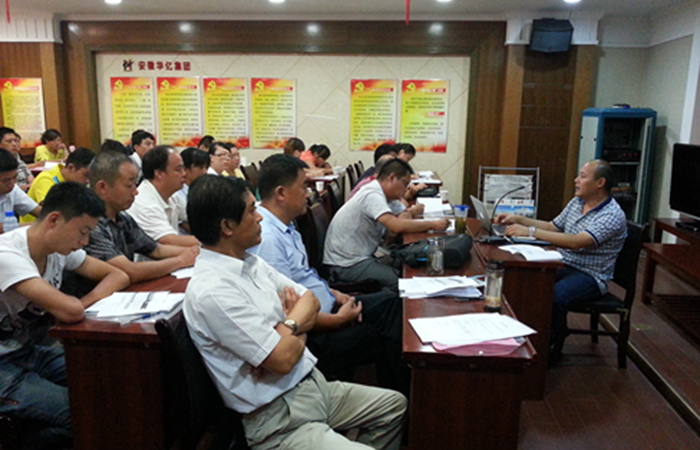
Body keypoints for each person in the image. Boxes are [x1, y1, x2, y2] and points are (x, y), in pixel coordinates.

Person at [184, 174, 406, 450]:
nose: (260, 217)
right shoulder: (213, 291)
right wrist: (294, 323)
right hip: (279, 417)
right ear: (227, 226)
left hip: (311, 385)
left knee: (394, 406)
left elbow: (310, 299)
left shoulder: (250, 262)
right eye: (252, 211)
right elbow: (283, 359)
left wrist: (287, 326)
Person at [252, 154, 408, 393]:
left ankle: (402, 392)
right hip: (315, 333)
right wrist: (338, 321)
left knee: (391, 304)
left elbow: (303, 277)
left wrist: (334, 293)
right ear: (281, 193)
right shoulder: (268, 239)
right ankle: (401, 394)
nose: (308, 194)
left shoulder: (287, 225)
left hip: (327, 306)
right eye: (304, 186)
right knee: (387, 332)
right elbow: (285, 313)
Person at [0, 182, 129, 449]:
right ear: (54, 220)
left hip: (27, 351)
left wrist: (80, 304)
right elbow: (69, 311)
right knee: (86, 414)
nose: (84, 242)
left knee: (114, 380)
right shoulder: (7, 255)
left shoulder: (57, 251)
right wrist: (72, 308)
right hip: (3, 366)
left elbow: (118, 275)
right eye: (83, 232)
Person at [496, 159, 627, 344]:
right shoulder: (577, 202)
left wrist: (531, 232)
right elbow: (552, 226)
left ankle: (550, 344)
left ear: (600, 183)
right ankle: (520, 333)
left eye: (582, 176)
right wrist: (518, 219)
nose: (576, 180)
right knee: (523, 279)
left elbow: (576, 242)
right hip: (562, 263)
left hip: (590, 275)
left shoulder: (611, 215)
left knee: (555, 296)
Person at [61, 151, 197, 296]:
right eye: (129, 185)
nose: (135, 192)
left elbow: (156, 249)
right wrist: (181, 260)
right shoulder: (88, 225)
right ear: (103, 187)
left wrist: (195, 252)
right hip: (93, 302)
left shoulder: (123, 217)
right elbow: (129, 271)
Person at [324, 158, 449, 292]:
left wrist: (400, 221)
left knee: (409, 263)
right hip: (345, 264)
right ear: (392, 178)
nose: (407, 189)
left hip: (362, 256)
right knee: (400, 283)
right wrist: (433, 225)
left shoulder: (387, 195)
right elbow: (397, 226)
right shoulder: (372, 194)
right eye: (405, 183)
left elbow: (403, 214)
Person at [127, 145, 198, 247]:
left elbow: (194, 217)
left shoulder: (172, 195)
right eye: (178, 169)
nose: (184, 174)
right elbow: (169, 240)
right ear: (159, 174)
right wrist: (215, 243)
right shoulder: (145, 203)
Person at [21, 147, 95, 223]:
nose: (88, 181)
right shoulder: (46, 179)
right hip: (33, 226)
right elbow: (52, 211)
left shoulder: (74, 181)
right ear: (71, 168)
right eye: (86, 175)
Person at [0, 148, 41, 231]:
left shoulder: (13, 189)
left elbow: (39, 211)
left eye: (15, 177)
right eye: (6, 180)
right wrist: (39, 225)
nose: (12, 182)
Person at [0, 127, 33, 191]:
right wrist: (28, 187)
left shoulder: (19, 161)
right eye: (9, 141)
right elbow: (7, 188)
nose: (14, 144)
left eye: (15, 141)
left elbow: (31, 179)